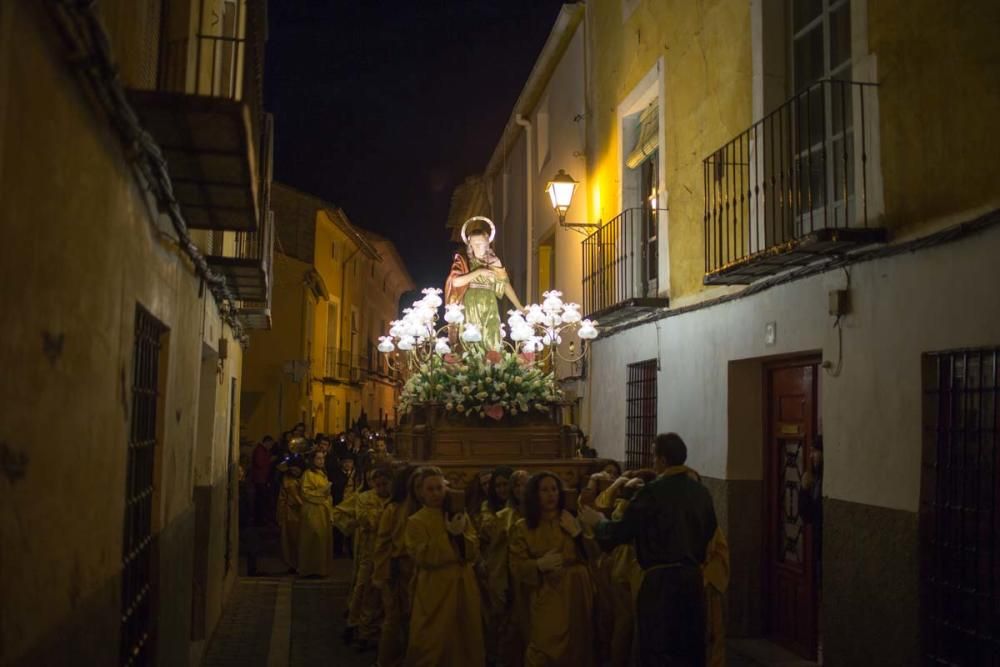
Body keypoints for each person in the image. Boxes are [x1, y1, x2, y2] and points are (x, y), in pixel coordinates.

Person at [580, 433, 718, 667]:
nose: (654, 462)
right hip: (692, 579)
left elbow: (622, 532)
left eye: (654, 457)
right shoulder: (701, 492)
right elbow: (709, 532)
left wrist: (597, 523)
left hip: (660, 582)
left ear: (662, 460)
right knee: (689, 647)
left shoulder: (653, 491)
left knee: (659, 648)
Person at [509, 472, 597, 667]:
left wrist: (577, 533)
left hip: (576, 591)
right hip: (546, 591)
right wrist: (538, 565)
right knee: (543, 646)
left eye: (554, 489)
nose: (551, 495)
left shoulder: (572, 518)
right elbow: (516, 566)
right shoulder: (522, 527)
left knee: (578, 647)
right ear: (534, 495)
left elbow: (594, 555)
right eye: (544, 490)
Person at [404, 466, 484, 666]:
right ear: (420, 492)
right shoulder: (416, 521)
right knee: (432, 639)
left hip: (462, 583)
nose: (436, 494)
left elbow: (473, 548)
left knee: (465, 635)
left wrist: (460, 535)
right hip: (434, 588)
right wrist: (447, 536)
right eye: (430, 489)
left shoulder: (457, 513)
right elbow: (421, 555)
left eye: (439, 488)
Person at [444, 217, 524, 351]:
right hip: (470, 304)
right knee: (472, 338)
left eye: (480, 243)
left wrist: (519, 306)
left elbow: (505, 285)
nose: (477, 247)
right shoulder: (464, 260)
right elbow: (456, 281)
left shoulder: (494, 262)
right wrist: (479, 271)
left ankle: (492, 366)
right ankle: (473, 366)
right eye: (474, 244)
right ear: (470, 245)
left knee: (491, 338)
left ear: (487, 244)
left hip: (489, 303)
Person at [372, 464, 418, 667]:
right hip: (398, 570)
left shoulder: (424, 508)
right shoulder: (394, 509)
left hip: (419, 572)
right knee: (394, 619)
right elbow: (383, 544)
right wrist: (383, 575)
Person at [345, 466, 393, 652]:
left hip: (388, 554)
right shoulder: (365, 498)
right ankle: (357, 626)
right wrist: (385, 517)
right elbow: (367, 521)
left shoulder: (395, 500)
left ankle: (378, 629)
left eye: (384, 484)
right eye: (377, 484)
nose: (381, 488)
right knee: (364, 589)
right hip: (369, 552)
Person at [487, 469, 530, 667]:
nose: (521, 489)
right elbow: (495, 551)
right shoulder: (504, 516)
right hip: (510, 576)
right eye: (517, 486)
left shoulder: (539, 514)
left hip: (535, 577)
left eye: (525, 484)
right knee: (510, 626)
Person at [297, 449, 335, 578]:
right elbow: (305, 492)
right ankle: (309, 568)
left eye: (322, 458)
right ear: (312, 460)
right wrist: (322, 493)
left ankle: (321, 568)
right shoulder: (308, 474)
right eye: (318, 458)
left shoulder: (322, 473)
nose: (321, 461)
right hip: (312, 510)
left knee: (322, 540)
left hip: (323, 510)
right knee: (312, 538)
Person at [276, 459, 304, 572]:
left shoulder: (305, 478)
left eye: (297, 469)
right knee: (291, 540)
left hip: (304, 513)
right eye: (293, 469)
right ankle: (292, 564)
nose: (295, 471)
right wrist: (280, 515)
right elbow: (281, 499)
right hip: (290, 514)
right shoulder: (287, 481)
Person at [250, 435, 275, 525]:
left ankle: (260, 519)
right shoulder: (260, 450)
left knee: (261, 499)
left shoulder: (264, 450)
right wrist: (270, 460)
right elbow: (259, 463)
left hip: (262, 478)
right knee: (260, 500)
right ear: (266, 442)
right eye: (270, 444)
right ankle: (259, 520)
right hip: (260, 479)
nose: (271, 446)